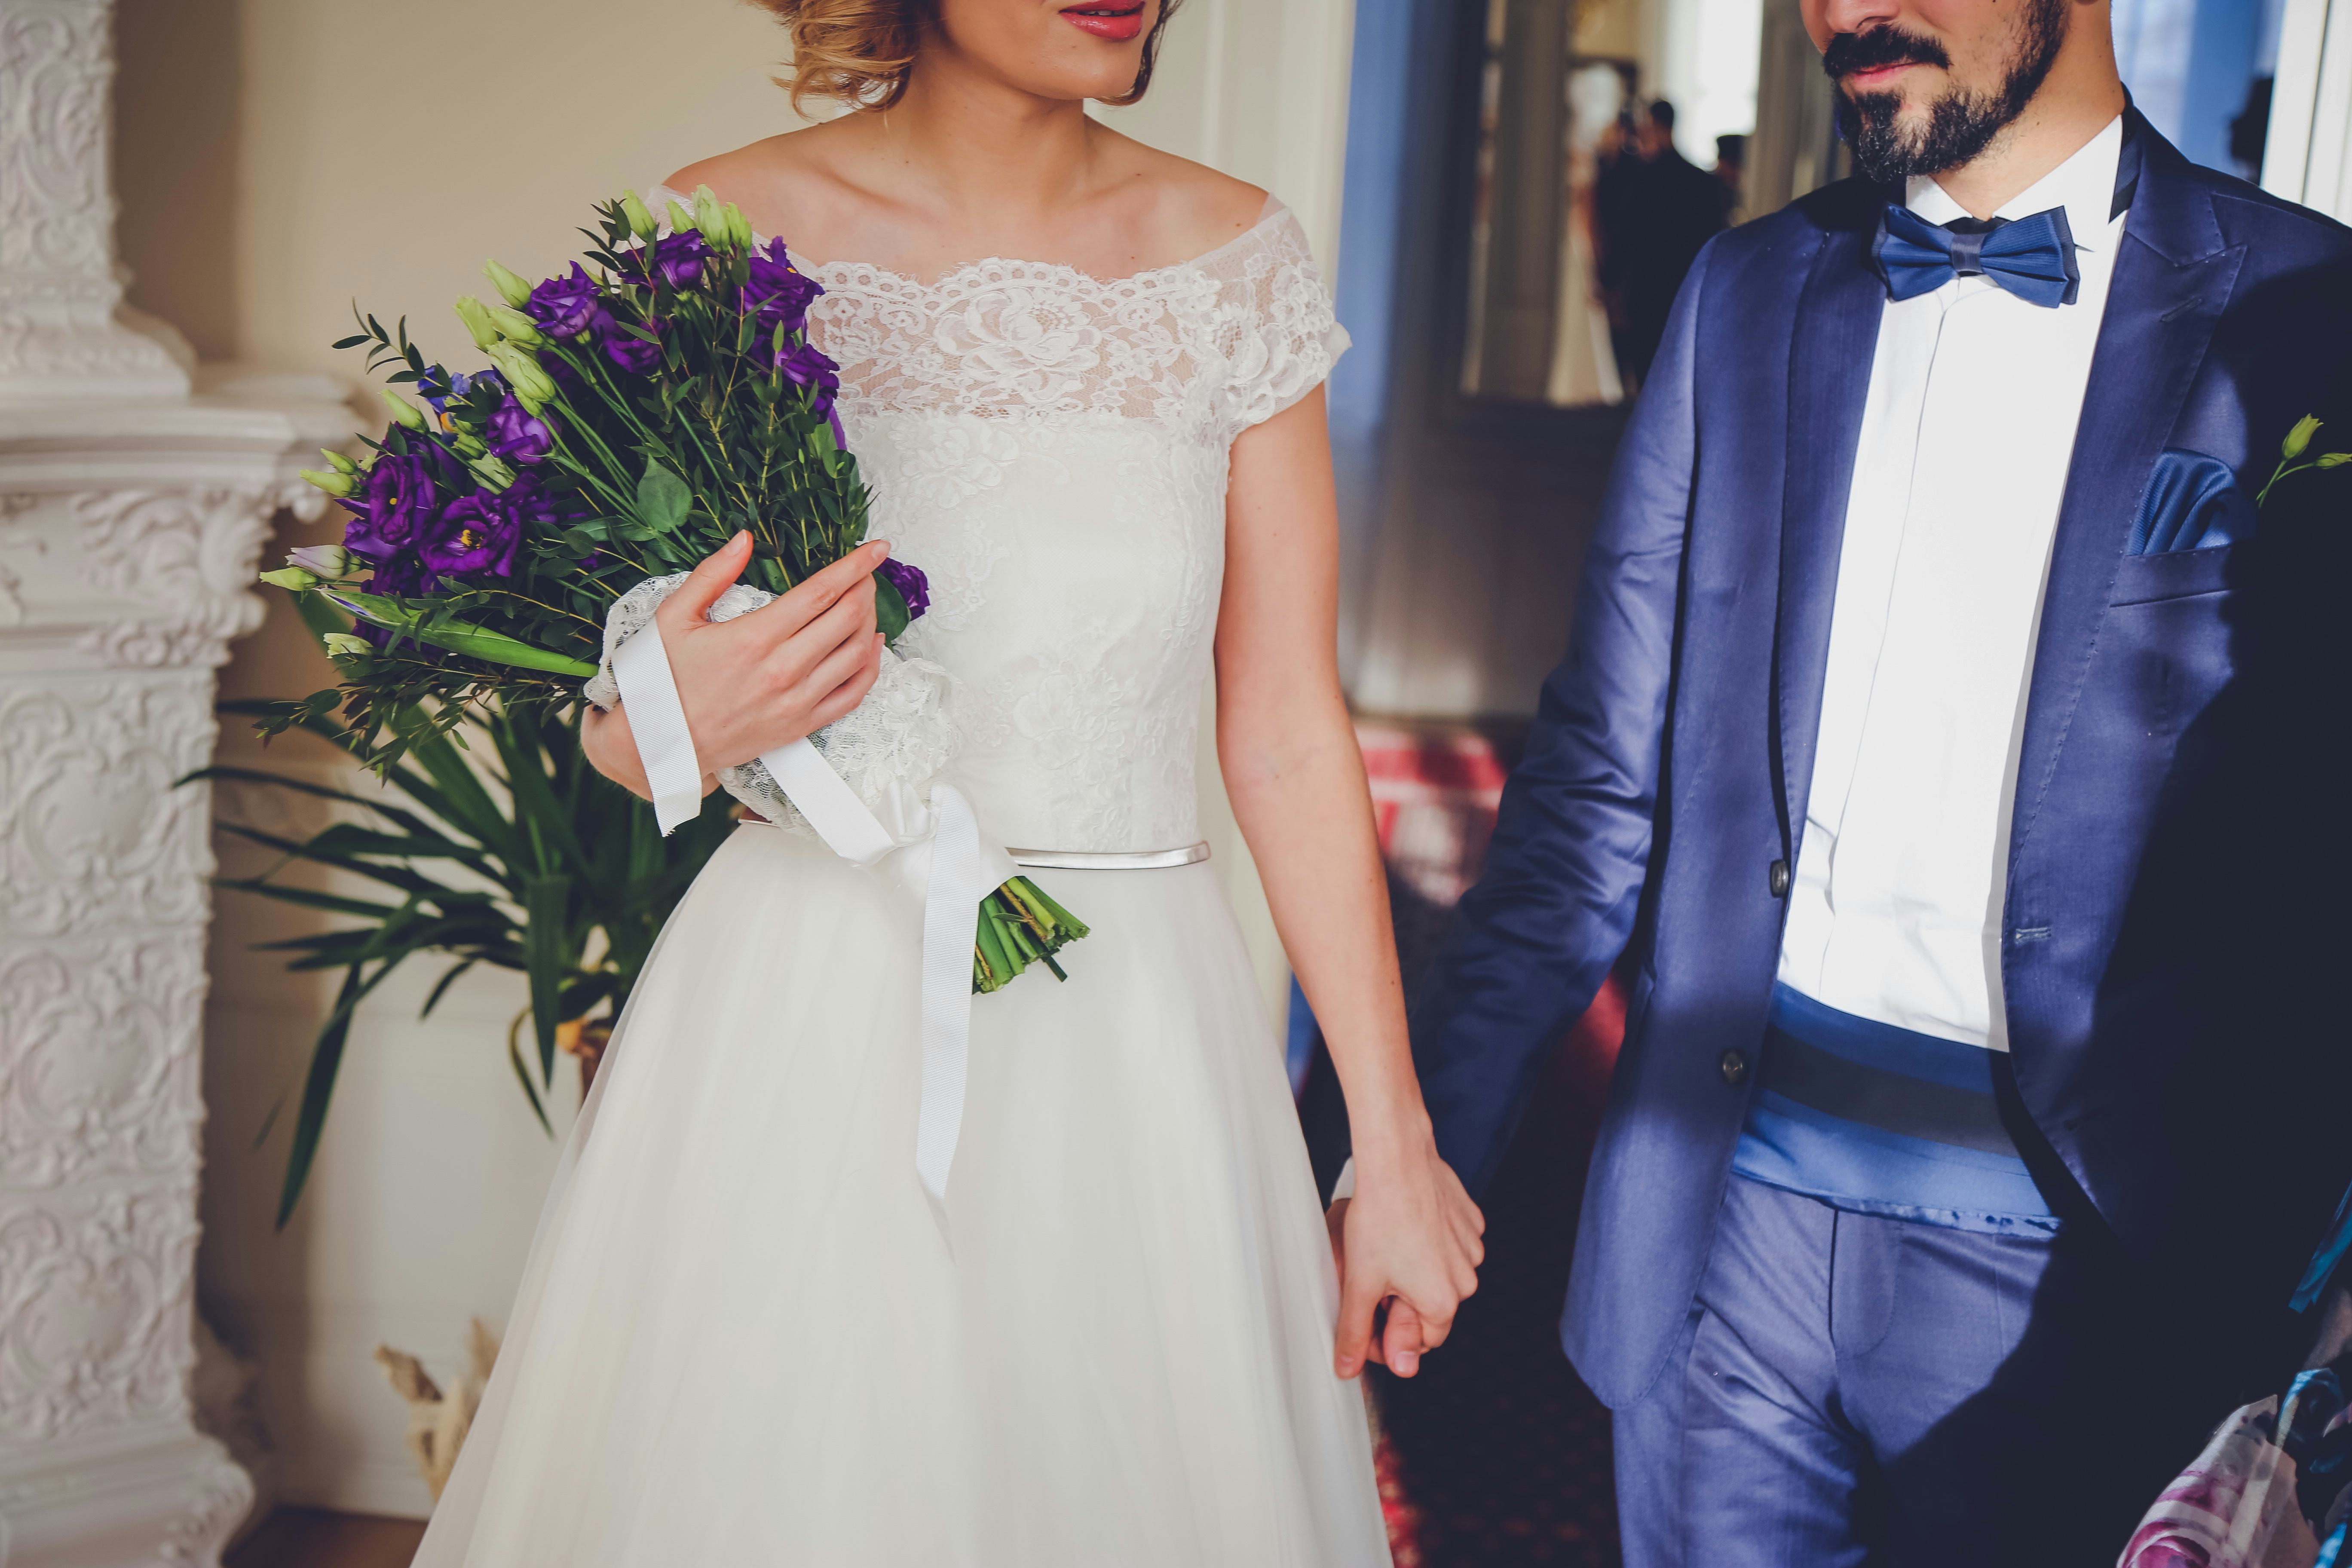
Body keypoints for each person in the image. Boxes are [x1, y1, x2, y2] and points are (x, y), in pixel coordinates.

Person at [411, 2, 1482, 1562]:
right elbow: (621, 727)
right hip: (798, 1011)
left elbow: (1283, 726)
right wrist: (663, 714)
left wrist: (1390, 1143)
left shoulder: (1234, 261)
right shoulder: (718, 236)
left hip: (1137, 1031)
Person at [1397, 0, 2352, 1555]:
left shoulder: (2315, 316)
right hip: (1719, 1246)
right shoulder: (1743, 292)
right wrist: (1415, 1143)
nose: (1842, 10)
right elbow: (1591, 787)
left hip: (2094, 1273)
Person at [1592, 101, 1733, 390]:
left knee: (1646, 362)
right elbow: (1715, 236)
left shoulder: (1642, 179)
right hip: (1685, 282)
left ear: (1655, 126)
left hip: (1646, 284)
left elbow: (1626, 232)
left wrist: (1608, 279)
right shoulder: (1701, 181)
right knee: (1678, 361)